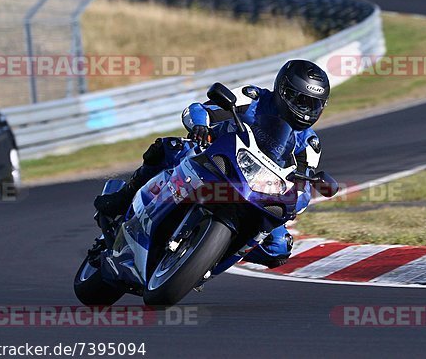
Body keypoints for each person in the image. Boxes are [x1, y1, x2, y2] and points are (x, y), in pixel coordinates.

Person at [94, 59, 334, 268]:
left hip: (257, 188)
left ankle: (212, 256)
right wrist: (201, 125)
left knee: (279, 247)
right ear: (284, 91)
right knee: (169, 148)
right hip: (213, 158)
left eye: (313, 104)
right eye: (301, 100)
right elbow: (202, 109)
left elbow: (302, 184)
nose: (306, 109)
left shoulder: (309, 143)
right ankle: (124, 198)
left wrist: (301, 196)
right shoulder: (254, 98)